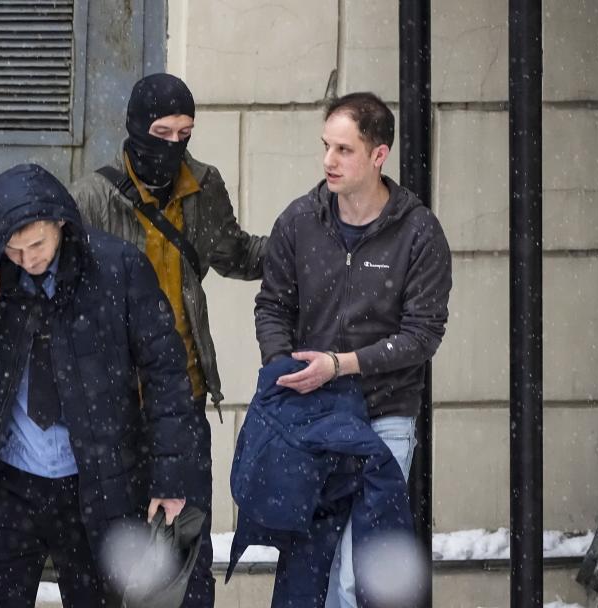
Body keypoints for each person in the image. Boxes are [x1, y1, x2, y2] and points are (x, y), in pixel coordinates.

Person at [0, 163, 198, 608]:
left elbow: (166, 373)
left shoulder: (117, 266)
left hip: (98, 483)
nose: (29, 259)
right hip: (9, 484)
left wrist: (169, 476)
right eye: (14, 250)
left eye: (37, 244)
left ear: (61, 222)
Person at [70, 73, 266, 607]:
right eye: (161, 130)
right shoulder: (91, 198)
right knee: (110, 565)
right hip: (111, 409)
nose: (174, 145)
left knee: (184, 567)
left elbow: (236, 253)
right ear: (136, 127)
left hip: (181, 403)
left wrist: (304, 249)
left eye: (185, 132)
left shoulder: (203, 187)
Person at [254, 92, 452, 607]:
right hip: (313, 414)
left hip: (383, 414)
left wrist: (341, 365)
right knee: (307, 562)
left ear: (378, 154)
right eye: (326, 146)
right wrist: (282, 368)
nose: (328, 161)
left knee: (355, 571)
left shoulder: (418, 233)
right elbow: (272, 305)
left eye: (344, 149)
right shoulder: (300, 221)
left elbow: (422, 334)